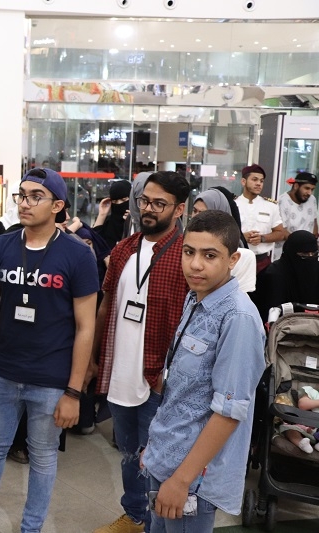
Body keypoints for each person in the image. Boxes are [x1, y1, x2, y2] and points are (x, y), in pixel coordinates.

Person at [0, 168, 99, 533]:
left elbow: (86, 327)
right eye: (21, 195)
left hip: (51, 380)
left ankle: (32, 527)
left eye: (36, 196)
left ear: (57, 206)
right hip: (2, 373)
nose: (25, 203)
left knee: (42, 457)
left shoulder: (77, 254)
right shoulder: (1, 246)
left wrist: (74, 392)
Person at [142, 210, 265, 533]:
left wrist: (181, 480)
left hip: (193, 477)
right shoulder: (195, 298)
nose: (195, 264)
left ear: (233, 259)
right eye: (189, 252)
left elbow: (229, 411)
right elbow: (180, 388)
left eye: (210, 255)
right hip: (165, 457)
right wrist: (155, 448)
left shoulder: (238, 318)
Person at [92, 171, 191, 533]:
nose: (148, 209)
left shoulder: (186, 255)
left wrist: (173, 375)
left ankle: (157, 525)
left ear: (179, 209)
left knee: (157, 459)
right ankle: (135, 516)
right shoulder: (123, 249)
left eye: (159, 203)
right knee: (128, 453)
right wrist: (93, 359)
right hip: (120, 372)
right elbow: (106, 305)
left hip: (160, 378)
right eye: (144, 201)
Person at [191, 187, 256, 292]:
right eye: (195, 211)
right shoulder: (185, 240)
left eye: (203, 212)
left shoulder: (242, 255)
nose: (196, 217)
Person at [234, 164, 287, 272]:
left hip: (262, 262)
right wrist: (241, 237)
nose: (259, 183)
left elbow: (281, 233)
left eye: (261, 181)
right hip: (237, 259)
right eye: (254, 180)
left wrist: (262, 238)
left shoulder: (270, 206)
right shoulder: (233, 204)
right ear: (243, 181)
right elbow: (222, 233)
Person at [258, 230, 319, 317]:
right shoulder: (273, 275)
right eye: (304, 254)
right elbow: (269, 310)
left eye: (314, 254)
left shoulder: (316, 269)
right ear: (290, 253)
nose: (310, 257)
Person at [274, 171, 318, 260]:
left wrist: (312, 243)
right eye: (307, 188)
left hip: (307, 253)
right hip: (287, 254)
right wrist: (301, 246)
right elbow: (281, 231)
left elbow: (314, 221)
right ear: (296, 186)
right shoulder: (282, 201)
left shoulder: (312, 199)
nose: (309, 193)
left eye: (312, 189)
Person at [94, 179, 132, 249]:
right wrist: (102, 215)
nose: (119, 203)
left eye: (123, 200)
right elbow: (94, 241)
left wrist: (132, 223)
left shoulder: (138, 222)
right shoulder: (107, 223)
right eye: (115, 201)